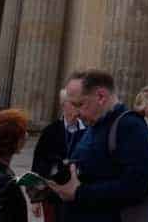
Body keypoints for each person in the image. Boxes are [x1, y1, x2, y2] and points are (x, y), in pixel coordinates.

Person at [47, 69, 148, 222]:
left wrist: (79, 193)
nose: (76, 113)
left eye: (80, 104)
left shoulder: (130, 126)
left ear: (101, 96)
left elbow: (135, 187)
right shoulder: (95, 124)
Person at [31, 89, 88, 222]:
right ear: (63, 105)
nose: (78, 107)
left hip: (80, 195)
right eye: (73, 103)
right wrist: (35, 198)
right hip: (53, 194)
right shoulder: (50, 131)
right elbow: (39, 164)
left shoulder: (89, 131)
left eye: (80, 103)